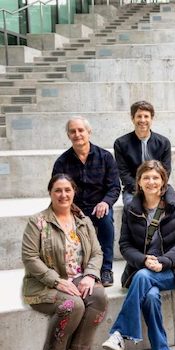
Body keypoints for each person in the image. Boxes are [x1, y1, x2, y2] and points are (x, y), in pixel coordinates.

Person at [101, 161, 175, 350]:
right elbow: (124, 245)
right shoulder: (131, 209)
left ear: (163, 181)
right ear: (139, 182)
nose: (151, 182)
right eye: (146, 178)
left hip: (172, 271)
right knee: (150, 296)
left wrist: (164, 262)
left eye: (155, 177)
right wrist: (143, 259)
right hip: (142, 268)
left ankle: (119, 333)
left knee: (142, 277)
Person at [21, 174, 107, 350]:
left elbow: (97, 253)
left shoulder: (82, 221)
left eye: (67, 190)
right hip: (45, 283)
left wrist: (90, 275)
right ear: (50, 193)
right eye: (58, 190)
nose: (63, 195)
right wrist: (56, 281)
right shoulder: (38, 222)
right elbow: (30, 257)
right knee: (73, 304)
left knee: (98, 296)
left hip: (77, 278)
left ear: (74, 192)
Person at [52, 117, 121, 287]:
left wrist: (106, 202)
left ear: (89, 132)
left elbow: (114, 187)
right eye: (73, 131)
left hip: (99, 205)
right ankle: (76, 269)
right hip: (74, 207)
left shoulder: (105, 157)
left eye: (81, 130)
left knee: (106, 220)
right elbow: (57, 190)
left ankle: (106, 269)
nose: (77, 134)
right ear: (68, 135)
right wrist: (69, 208)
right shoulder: (62, 162)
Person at [113, 101, 172, 206]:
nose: (143, 120)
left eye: (146, 116)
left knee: (173, 205)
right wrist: (142, 188)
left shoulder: (164, 142)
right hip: (133, 189)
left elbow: (165, 171)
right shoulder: (120, 143)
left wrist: (154, 187)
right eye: (139, 116)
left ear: (151, 119)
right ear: (132, 118)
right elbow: (124, 173)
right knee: (132, 207)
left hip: (157, 187)